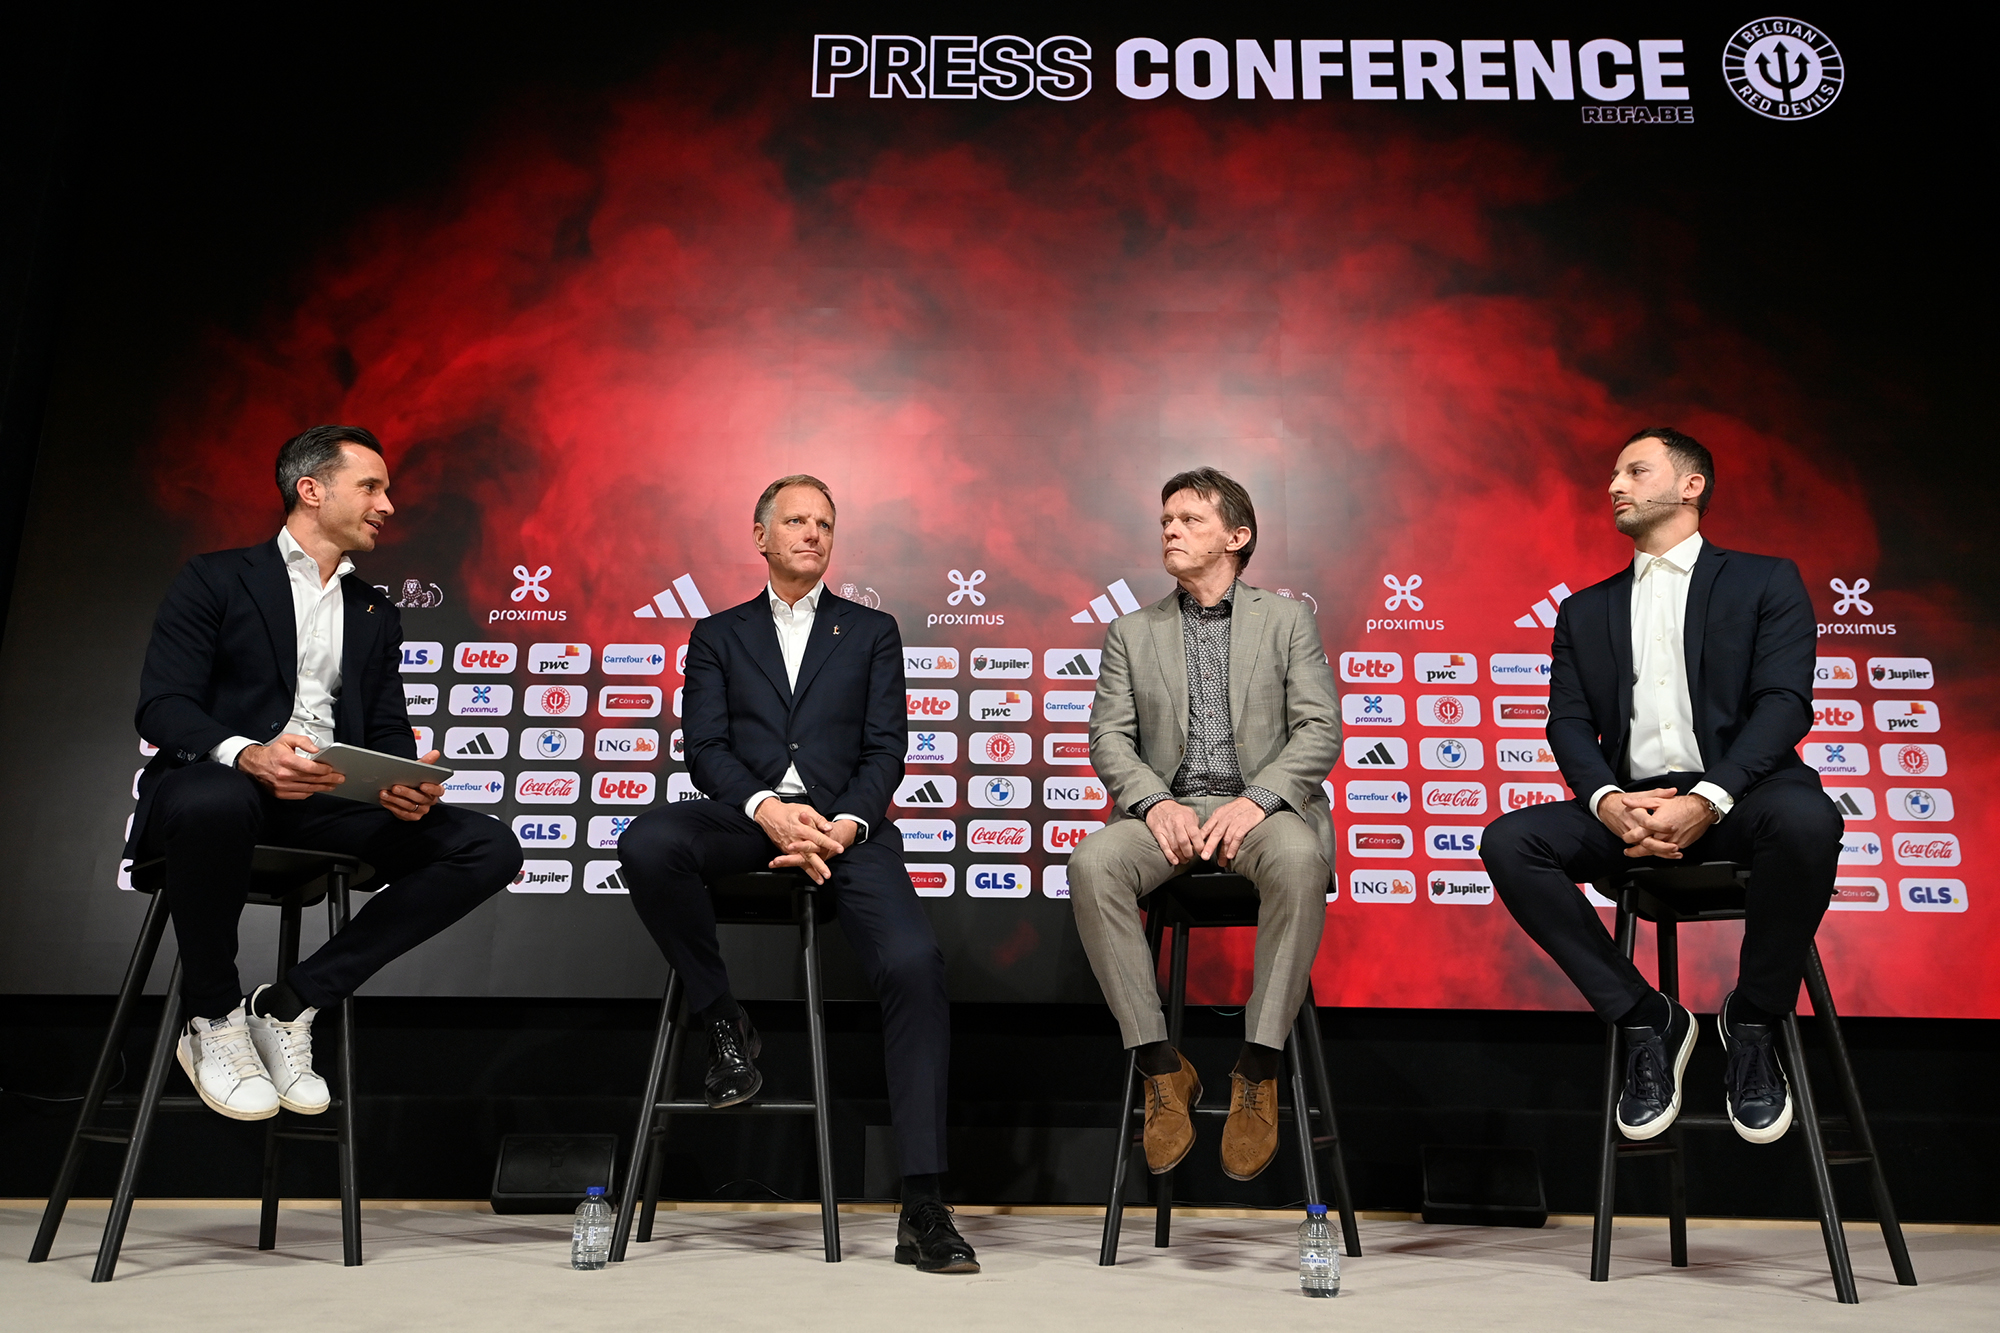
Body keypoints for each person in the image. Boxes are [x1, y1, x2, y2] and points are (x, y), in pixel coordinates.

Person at [614, 475, 976, 1274]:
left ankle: (924, 1200)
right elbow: (704, 746)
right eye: (797, 521)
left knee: (915, 964)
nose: (812, 533)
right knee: (647, 843)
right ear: (761, 536)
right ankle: (723, 1023)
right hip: (750, 819)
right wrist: (766, 809)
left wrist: (842, 824)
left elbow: (887, 748)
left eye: (825, 523)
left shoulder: (872, 630)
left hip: (849, 826)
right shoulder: (717, 633)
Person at [130, 425, 522, 1122]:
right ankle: (212, 1016)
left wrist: (404, 776)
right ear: (311, 490)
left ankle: (291, 1002)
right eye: (371, 487)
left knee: (488, 845)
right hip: (215, 787)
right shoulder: (215, 577)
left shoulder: (374, 609)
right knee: (217, 801)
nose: (388, 504)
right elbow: (161, 706)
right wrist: (247, 752)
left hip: (326, 799)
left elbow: (389, 724)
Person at [1480, 427, 1839, 1145]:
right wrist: (1608, 804)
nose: (1615, 484)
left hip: (1741, 798)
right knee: (1511, 841)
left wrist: (1707, 799)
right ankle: (1647, 1017)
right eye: (1613, 473)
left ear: (1690, 486)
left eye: (1635, 471)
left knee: (1810, 820)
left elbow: (1784, 705)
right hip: (1632, 808)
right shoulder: (1585, 609)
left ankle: (1755, 1020)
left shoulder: (1766, 579)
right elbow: (1569, 725)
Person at [1069, 467, 1340, 1182]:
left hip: (1261, 810)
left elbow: (1319, 730)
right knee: (1093, 862)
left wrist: (1259, 798)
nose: (1170, 529)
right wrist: (1155, 803)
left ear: (1236, 536)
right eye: (1166, 519)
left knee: (1300, 858)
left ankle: (1258, 1066)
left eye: (1189, 519)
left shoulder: (1287, 621)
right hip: (1170, 811)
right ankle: (1162, 1067)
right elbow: (1109, 739)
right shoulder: (1131, 630)